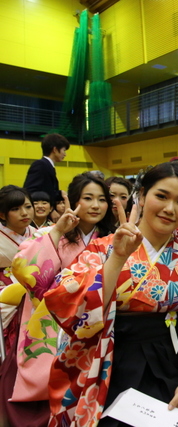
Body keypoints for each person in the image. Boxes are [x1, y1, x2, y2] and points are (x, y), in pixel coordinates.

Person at [43, 161, 178, 427]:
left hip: (170, 362)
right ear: (142, 195)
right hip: (107, 359)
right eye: (161, 196)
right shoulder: (103, 248)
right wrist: (117, 258)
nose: (170, 208)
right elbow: (65, 298)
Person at [3, 173, 115, 427]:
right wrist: (57, 231)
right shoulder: (50, 232)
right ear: (73, 201)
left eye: (101, 199)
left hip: (96, 321)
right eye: (88, 198)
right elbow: (23, 268)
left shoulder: (111, 238)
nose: (96, 205)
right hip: (53, 321)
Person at [0, 186, 35, 288]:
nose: (24, 213)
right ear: (2, 215)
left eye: (28, 207)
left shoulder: (38, 233)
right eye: (15, 209)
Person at [23, 133, 70, 206]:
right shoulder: (40, 165)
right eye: (64, 150)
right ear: (55, 150)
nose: (65, 154)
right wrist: (59, 194)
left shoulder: (48, 166)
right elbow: (30, 191)